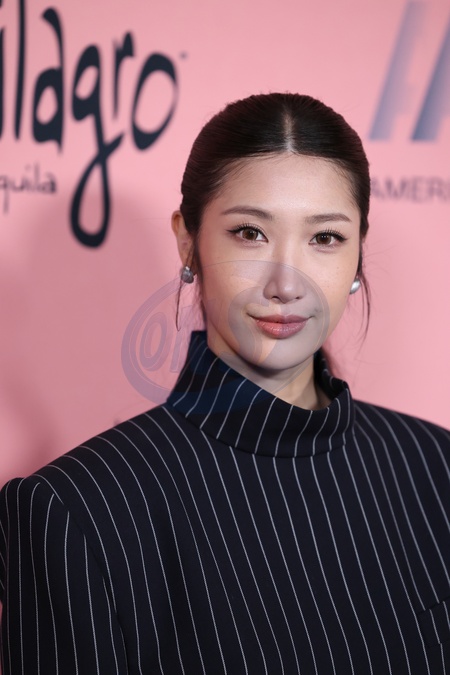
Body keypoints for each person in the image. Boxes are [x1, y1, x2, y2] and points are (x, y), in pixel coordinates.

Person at [1, 93, 449, 675]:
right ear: (188, 241)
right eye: (250, 233)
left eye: (325, 238)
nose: (287, 284)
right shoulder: (76, 508)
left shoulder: (434, 465)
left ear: (358, 253)